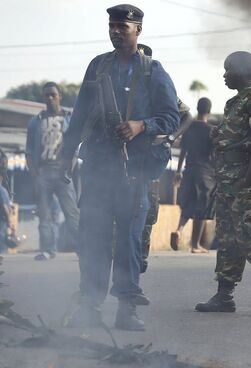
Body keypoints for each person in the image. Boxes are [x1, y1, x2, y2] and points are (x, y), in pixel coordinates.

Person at [61, 4, 180, 331]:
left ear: (138, 30)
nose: (115, 32)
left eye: (122, 28)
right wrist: (64, 157)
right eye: (112, 26)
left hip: (134, 170)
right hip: (99, 168)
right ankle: (90, 306)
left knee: (128, 240)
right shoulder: (98, 67)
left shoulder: (153, 71)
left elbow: (172, 117)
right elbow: (79, 117)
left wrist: (141, 125)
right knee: (93, 237)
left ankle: (126, 310)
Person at [195, 51, 251, 318]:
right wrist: (217, 134)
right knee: (229, 237)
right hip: (228, 183)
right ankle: (225, 296)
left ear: (243, 71)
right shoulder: (234, 104)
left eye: (227, 70)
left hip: (246, 183)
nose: (224, 75)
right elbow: (232, 137)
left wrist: (247, 181)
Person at [137, 44, 193, 272]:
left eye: (141, 57)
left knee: (148, 209)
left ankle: (141, 256)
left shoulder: (160, 88)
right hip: (124, 158)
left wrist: (170, 139)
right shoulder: (122, 87)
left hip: (151, 158)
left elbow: (187, 116)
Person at [26, 82, 80, 260]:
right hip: (43, 172)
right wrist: (34, 173)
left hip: (63, 172)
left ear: (59, 96)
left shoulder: (69, 117)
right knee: (45, 214)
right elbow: (28, 150)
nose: (50, 98)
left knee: (72, 213)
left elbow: (75, 145)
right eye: (46, 95)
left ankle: (83, 249)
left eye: (53, 95)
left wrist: (70, 168)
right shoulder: (36, 121)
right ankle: (48, 250)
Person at [171, 97, 215, 254]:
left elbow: (183, 151)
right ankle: (195, 245)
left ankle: (178, 230)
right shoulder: (211, 130)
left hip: (189, 170)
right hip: (205, 173)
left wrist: (178, 171)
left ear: (197, 109)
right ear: (209, 111)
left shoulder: (189, 129)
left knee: (189, 204)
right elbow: (216, 154)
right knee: (202, 208)